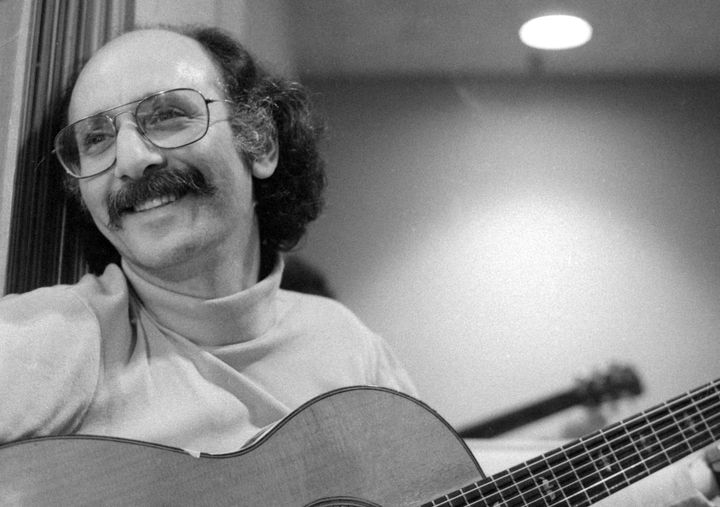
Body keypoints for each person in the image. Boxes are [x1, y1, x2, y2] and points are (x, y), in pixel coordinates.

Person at [0, 24, 717, 505]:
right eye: (94, 139)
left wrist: (680, 479)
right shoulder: (74, 337)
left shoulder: (348, 349)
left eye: (167, 115)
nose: (130, 159)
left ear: (258, 143)